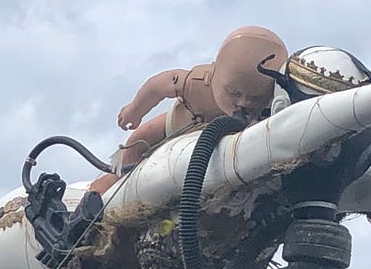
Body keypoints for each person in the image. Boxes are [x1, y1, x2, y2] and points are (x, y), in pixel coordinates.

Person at [111, 25, 288, 175]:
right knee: (139, 140)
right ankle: (105, 188)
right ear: (217, 77)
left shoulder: (276, 105)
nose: (242, 103)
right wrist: (134, 110)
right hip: (173, 127)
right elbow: (158, 86)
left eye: (254, 98)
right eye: (233, 93)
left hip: (215, 157)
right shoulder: (197, 82)